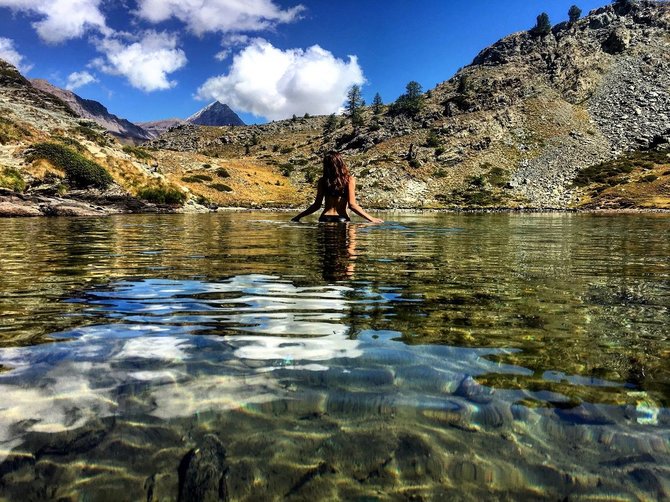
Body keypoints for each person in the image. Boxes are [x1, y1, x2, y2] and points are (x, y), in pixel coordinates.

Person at [291, 151, 383, 224]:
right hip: (342, 219)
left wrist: (298, 217)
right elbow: (352, 205)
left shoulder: (323, 181)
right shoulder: (349, 180)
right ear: (340, 163)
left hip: (325, 218)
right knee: (347, 247)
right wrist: (371, 218)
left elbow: (317, 205)